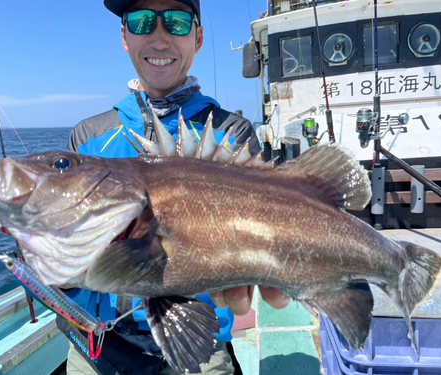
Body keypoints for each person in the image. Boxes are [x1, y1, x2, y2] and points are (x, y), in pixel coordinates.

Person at [58, 1, 290, 374]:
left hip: (198, 345)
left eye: (178, 22)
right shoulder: (87, 139)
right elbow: (70, 251)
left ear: (197, 38)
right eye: (142, 21)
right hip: (100, 348)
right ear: (124, 36)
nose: (160, 37)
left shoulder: (231, 134)